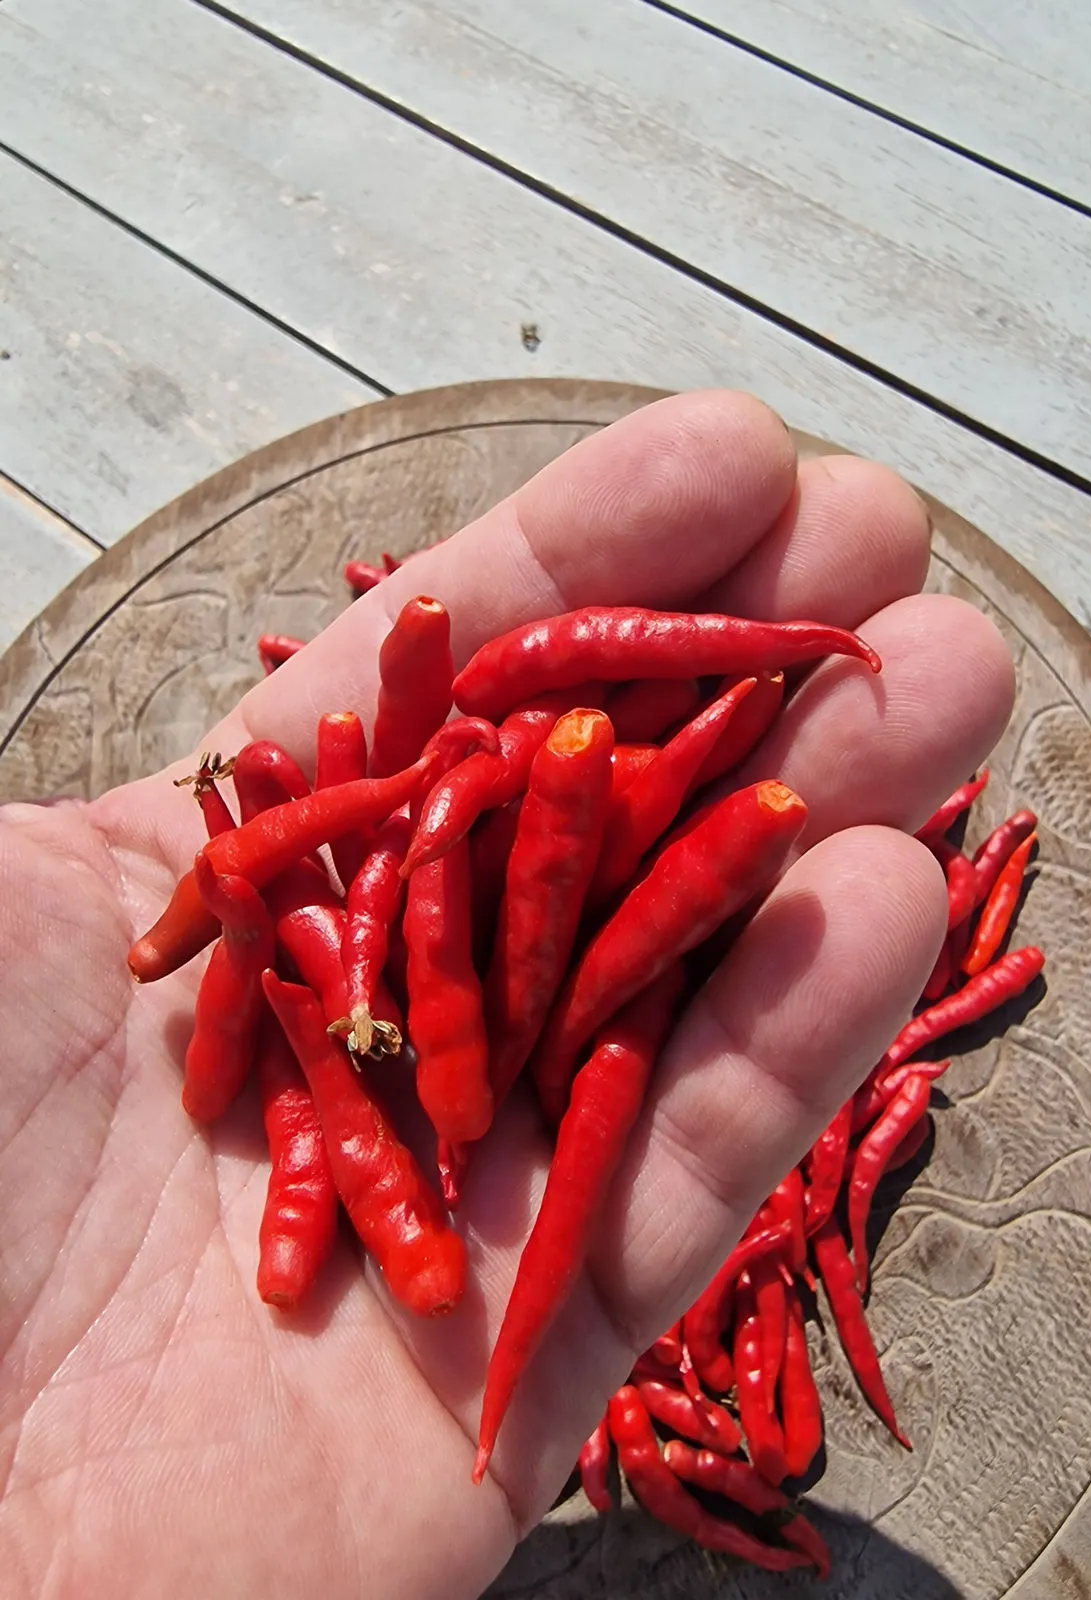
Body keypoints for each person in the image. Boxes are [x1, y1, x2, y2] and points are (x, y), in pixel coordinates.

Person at [0, 391, 1012, 1597]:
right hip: (407, 969)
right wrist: (396, 859)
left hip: (445, 961)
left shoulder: (412, 869)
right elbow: (343, 925)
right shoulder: (338, 913)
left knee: (636, 948)